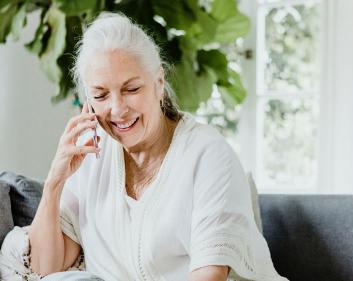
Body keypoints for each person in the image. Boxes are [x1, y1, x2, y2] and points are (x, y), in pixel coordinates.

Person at [0, 12, 287, 281]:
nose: (117, 109)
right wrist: (55, 181)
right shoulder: (91, 158)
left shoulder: (208, 155)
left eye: (131, 89)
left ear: (158, 82)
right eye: (100, 95)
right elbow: (44, 268)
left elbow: (209, 276)